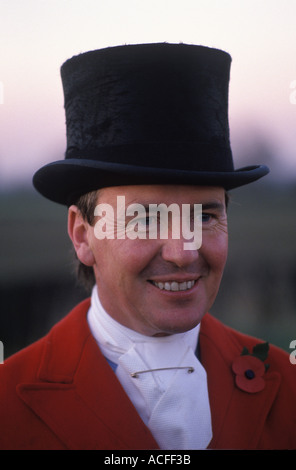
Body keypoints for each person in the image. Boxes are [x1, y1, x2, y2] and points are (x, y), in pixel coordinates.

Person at [0, 43, 295, 450]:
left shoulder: (288, 386)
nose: (183, 252)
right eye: (146, 219)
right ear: (83, 236)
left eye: (205, 217)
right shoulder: (6, 407)